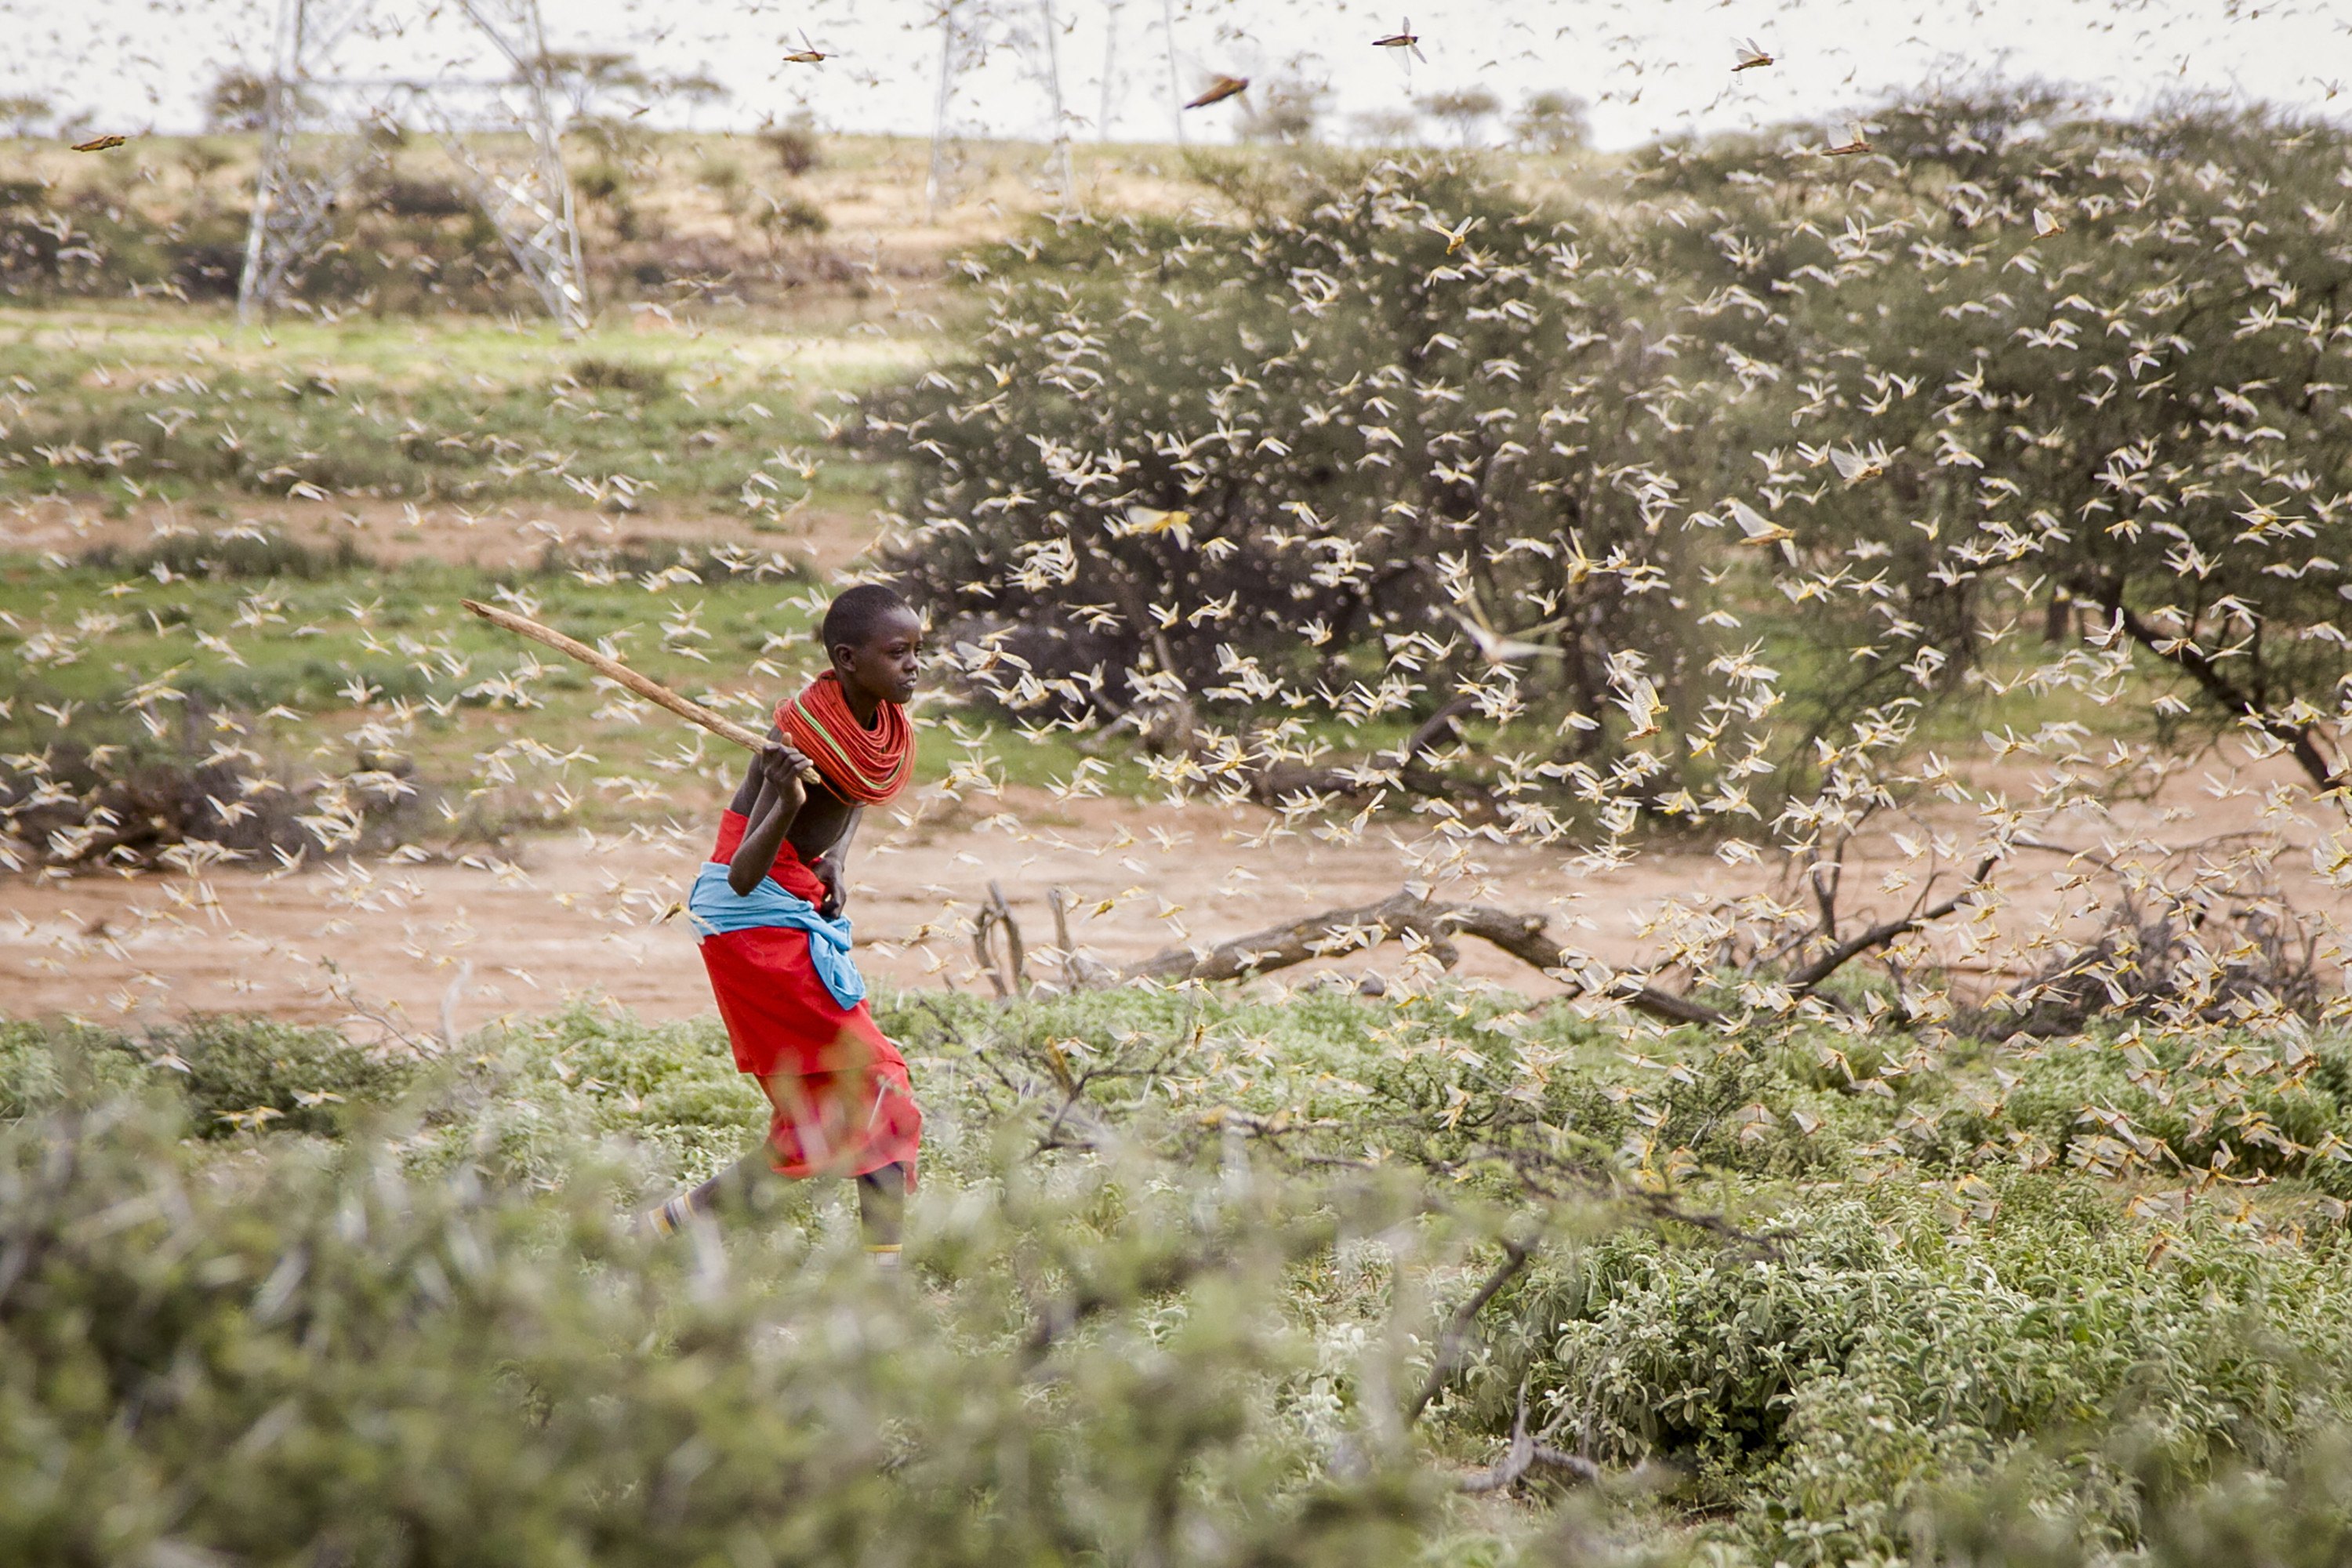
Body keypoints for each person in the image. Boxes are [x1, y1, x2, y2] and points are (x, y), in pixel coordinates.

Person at [646, 583, 924, 1266]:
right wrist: (786, 795)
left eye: (918, 651)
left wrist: (833, 859)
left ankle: (671, 1224)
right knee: (881, 1082)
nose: (914, 666)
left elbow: (854, 796)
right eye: (899, 654)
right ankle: (881, 1281)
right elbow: (742, 873)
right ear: (847, 658)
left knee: (831, 1114)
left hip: (795, 895)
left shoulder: (874, 722)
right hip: (749, 920)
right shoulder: (799, 733)